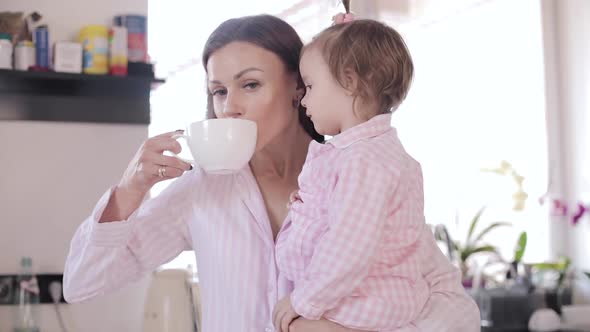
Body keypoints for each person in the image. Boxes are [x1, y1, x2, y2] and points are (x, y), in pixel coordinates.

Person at [63, 13, 480, 332]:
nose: (229, 107)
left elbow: (457, 309)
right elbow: (81, 284)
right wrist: (130, 189)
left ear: (301, 87)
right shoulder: (201, 192)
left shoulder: (362, 176)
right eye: (219, 91)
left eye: (250, 85)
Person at [271, 18, 477, 332]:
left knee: (297, 327)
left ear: (350, 82)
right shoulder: (361, 156)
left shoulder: (363, 162)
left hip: (364, 305)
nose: (303, 98)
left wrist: (303, 301)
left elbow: (347, 253)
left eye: (310, 85)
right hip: (361, 300)